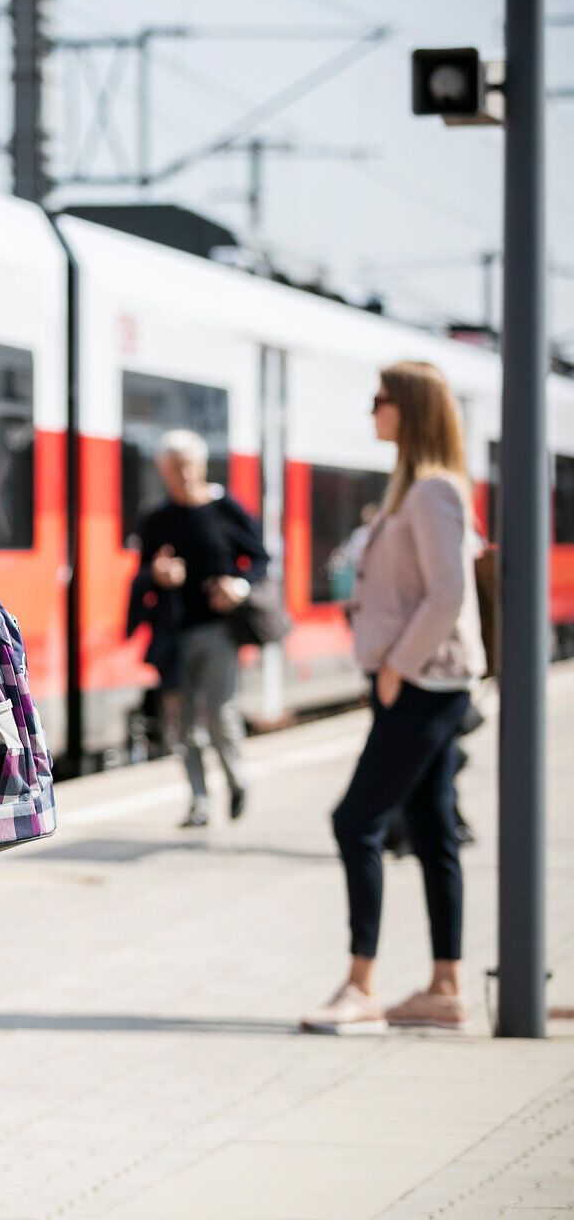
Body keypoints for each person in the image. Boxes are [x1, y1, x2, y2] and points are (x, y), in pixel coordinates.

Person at [302, 360, 485, 1035]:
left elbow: (449, 595)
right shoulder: (419, 490)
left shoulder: (433, 492)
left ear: (408, 409)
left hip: (422, 683)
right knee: (434, 829)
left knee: (356, 823)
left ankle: (361, 985)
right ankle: (445, 986)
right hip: (423, 682)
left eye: (381, 399)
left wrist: (396, 668)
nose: (372, 410)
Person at [125, 429, 269, 828]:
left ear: (201, 465)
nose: (181, 476)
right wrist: (157, 575)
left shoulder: (226, 510)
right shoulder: (157, 520)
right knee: (182, 724)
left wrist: (237, 586)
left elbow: (259, 559)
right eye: (172, 470)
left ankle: (237, 779)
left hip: (219, 629)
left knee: (220, 713)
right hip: (174, 633)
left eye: (186, 466)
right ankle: (199, 801)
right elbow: (140, 578)